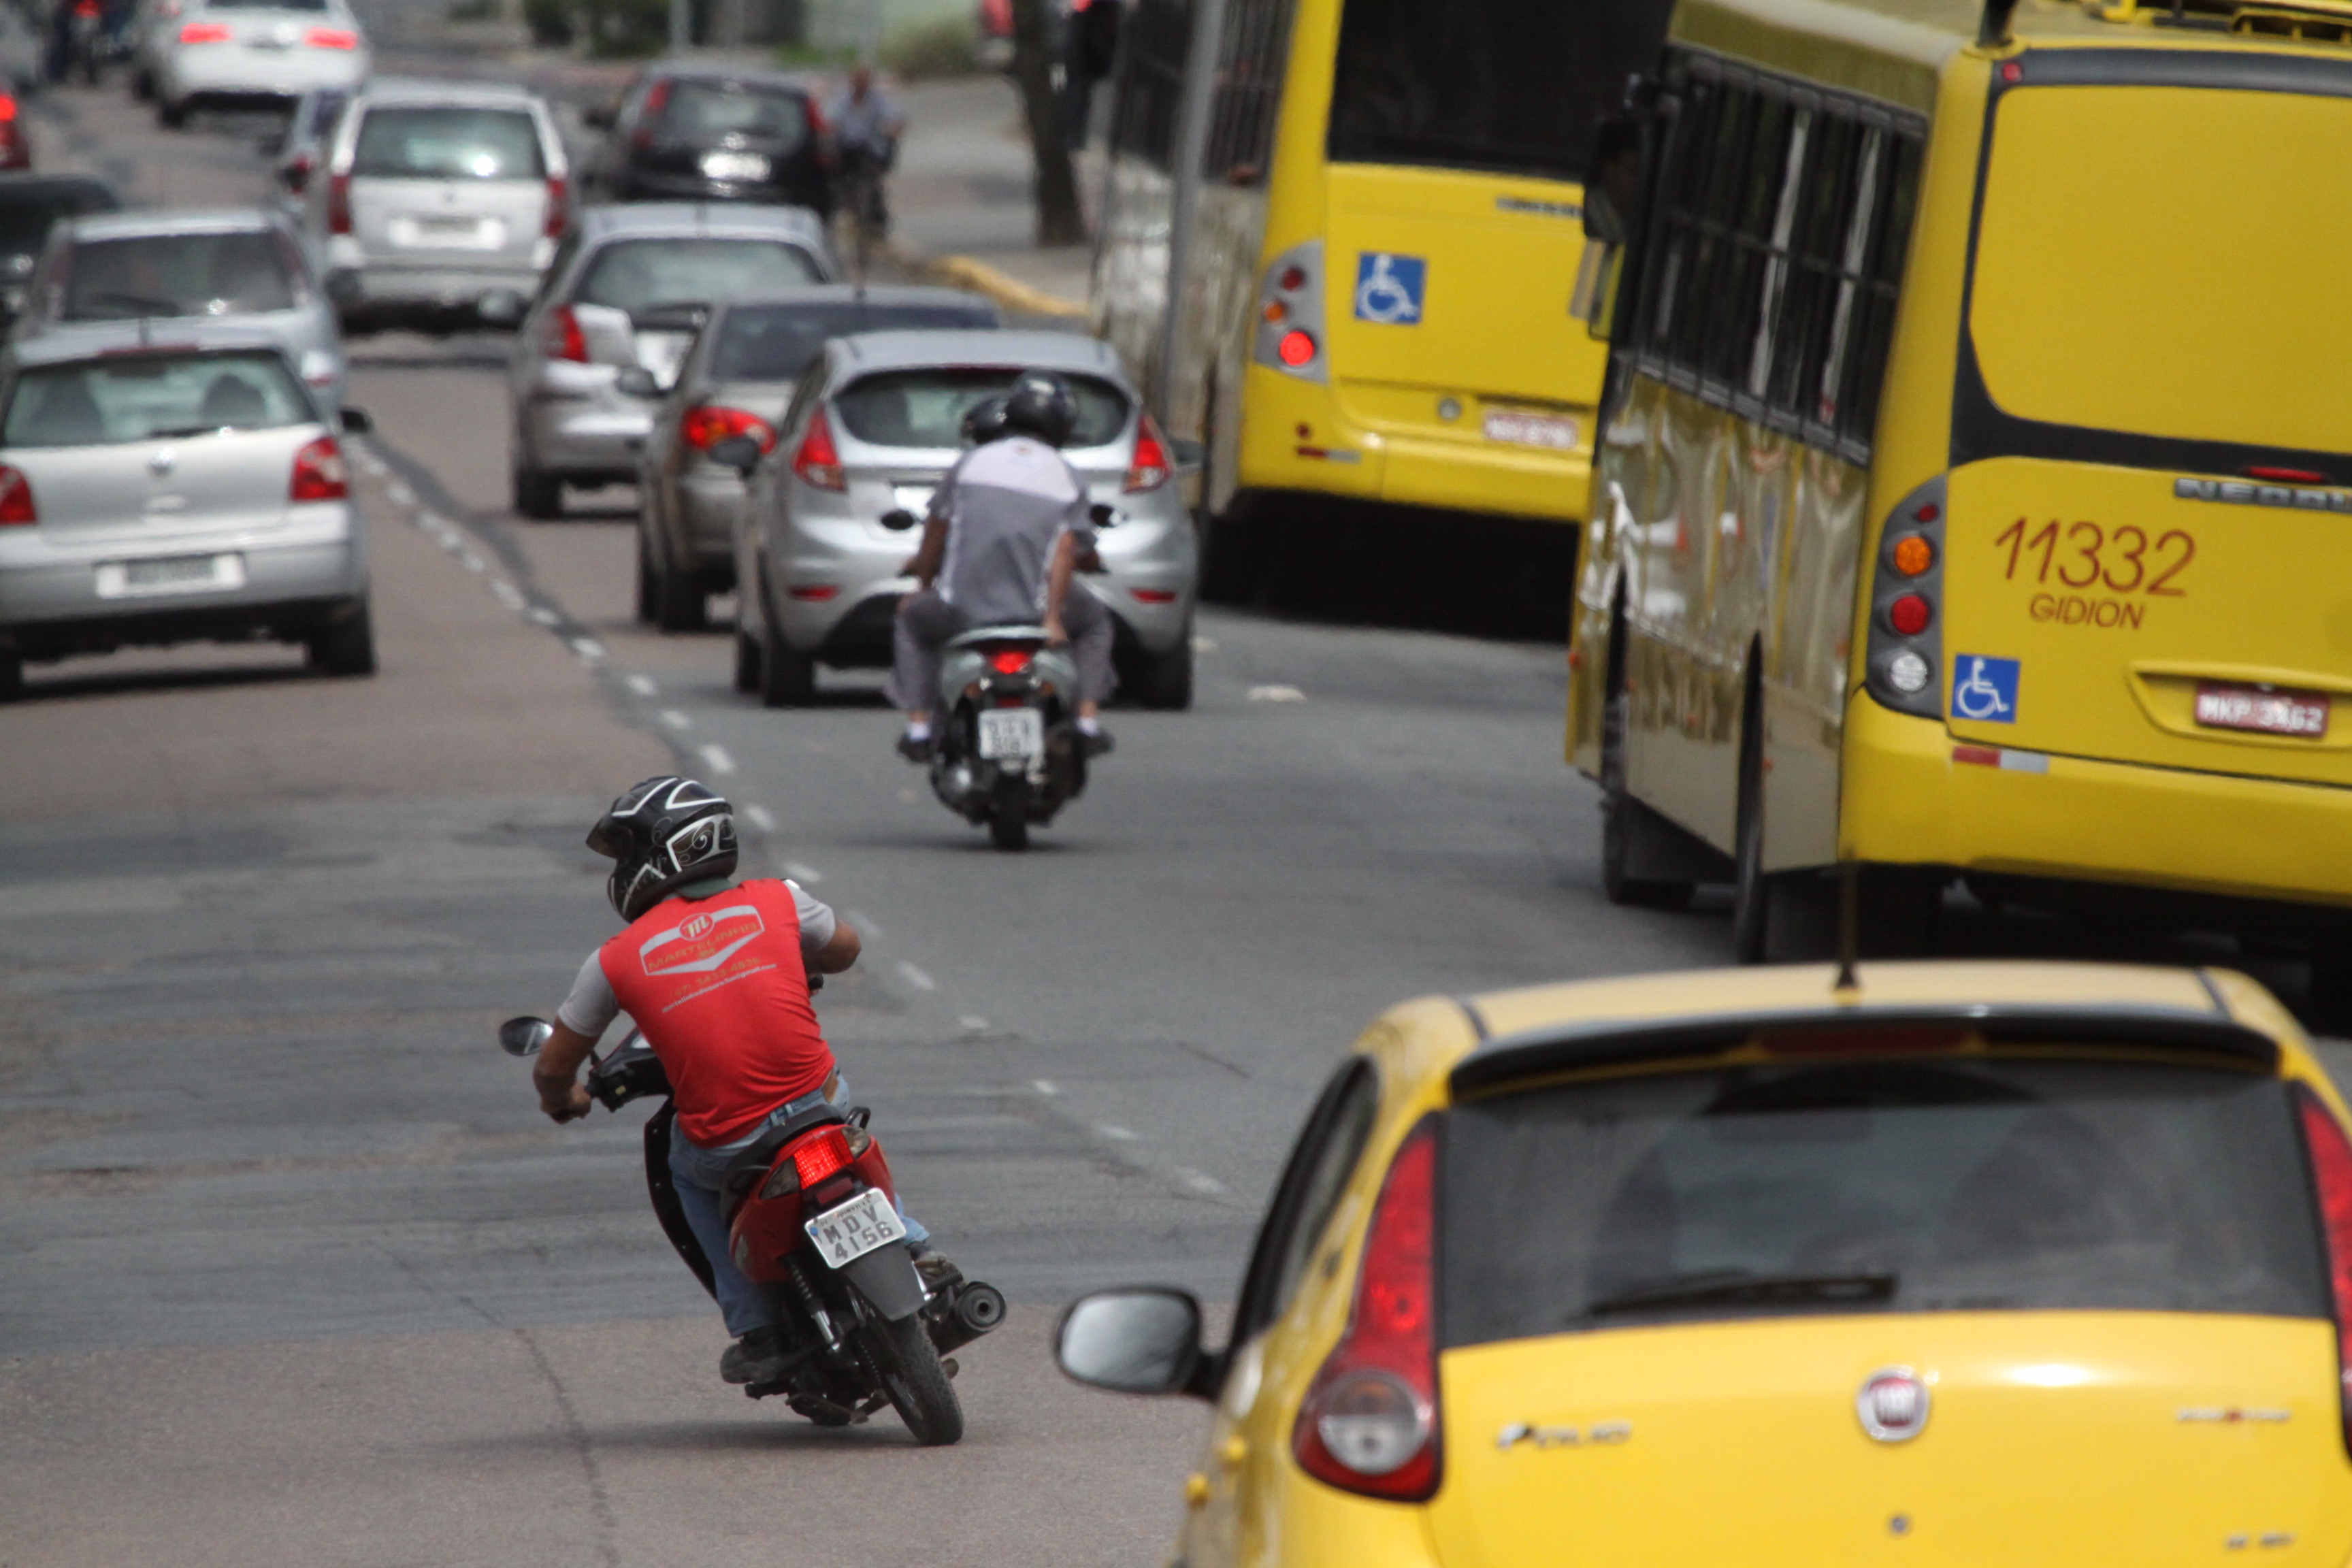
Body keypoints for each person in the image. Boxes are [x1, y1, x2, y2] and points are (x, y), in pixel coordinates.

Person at [525, 774, 953, 1386]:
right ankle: (912, 1245)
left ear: (662, 852)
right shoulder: (777, 900)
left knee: (682, 1172)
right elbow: (845, 950)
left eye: (626, 854)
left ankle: (758, 1326)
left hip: (731, 1143)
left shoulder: (616, 958)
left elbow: (552, 1066)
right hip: (820, 1103)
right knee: (845, 1129)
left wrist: (563, 1099)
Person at [889, 370, 1115, 762]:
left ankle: (919, 729)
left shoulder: (970, 463)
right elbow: (1072, 544)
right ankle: (1087, 721)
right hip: (1039, 613)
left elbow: (937, 531)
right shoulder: (1067, 474)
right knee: (1095, 621)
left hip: (961, 611)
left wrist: (922, 585)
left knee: (911, 621)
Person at [826, 64, 904, 234]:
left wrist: (893, 128)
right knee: (835, 176)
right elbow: (831, 120)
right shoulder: (842, 100)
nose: (860, 84)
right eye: (857, 80)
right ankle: (844, 206)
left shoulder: (877, 100)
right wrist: (831, 130)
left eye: (864, 80)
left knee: (873, 180)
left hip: (870, 150)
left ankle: (877, 217)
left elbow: (894, 117)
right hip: (847, 149)